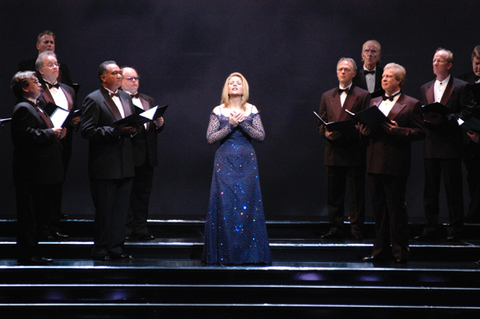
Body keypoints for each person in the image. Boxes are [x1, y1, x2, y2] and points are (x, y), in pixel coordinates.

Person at [202, 72, 271, 265]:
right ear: (226, 88)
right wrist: (230, 125)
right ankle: (224, 254)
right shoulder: (218, 110)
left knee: (247, 204)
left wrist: (244, 124)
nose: (234, 85)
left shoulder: (251, 108)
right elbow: (210, 138)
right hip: (224, 161)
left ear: (243, 88)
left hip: (246, 161)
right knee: (225, 205)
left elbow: (261, 136)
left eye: (237, 83)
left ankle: (249, 254)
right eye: (231, 83)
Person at [360, 63, 426, 263]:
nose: (384, 79)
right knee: (378, 209)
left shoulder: (412, 103)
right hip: (374, 161)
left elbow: (420, 132)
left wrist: (399, 131)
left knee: (396, 209)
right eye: (383, 76)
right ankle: (379, 251)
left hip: (395, 164)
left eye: (389, 76)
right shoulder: (373, 102)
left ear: (400, 81)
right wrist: (363, 132)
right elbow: (369, 129)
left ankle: (400, 252)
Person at [81, 61, 138, 261]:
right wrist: (116, 131)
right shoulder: (94, 99)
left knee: (121, 210)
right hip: (105, 165)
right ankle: (101, 249)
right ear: (103, 77)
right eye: (115, 73)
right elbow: (86, 130)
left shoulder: (125, 97)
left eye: (120, 72)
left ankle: (116, 248)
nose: (120, 76)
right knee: (105, 210)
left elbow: (128, 122)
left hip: (125, 163)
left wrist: (134, 128)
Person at [416, 48, 474, 241]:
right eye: (434, 60)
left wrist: (449, 120)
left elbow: (466, 113)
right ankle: (431, 227)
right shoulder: (425, 87)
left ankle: (456, 228)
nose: (435, 63)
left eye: (440, 61)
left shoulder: (461, 86)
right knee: (430, 191)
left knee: (453, 190)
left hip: (451, 144)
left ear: (449, 65)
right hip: (431, 144)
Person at [11, 71, 67, 264]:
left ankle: (34, 253)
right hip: (31, 173)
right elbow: (24, 136)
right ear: (25, 87)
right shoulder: (23, 108)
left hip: (41, 173)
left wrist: (57, 132)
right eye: (35, 82)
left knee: (38, 215)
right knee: (30, 216)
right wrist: (51, 133)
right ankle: (28, 255)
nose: (40, 85)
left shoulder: (38, 107)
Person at [318, 57, 371, 240]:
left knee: (356, 195)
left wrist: (355, 131)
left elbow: (366, 123)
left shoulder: (363, 95)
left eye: (347, 69)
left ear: (354, 73)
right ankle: (335, 229)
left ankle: (357, 230)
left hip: (354, 151)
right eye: (340, 69)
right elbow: (320, 124)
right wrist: (326, 134)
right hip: (333, 152)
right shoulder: (327, 95)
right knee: (334, 195)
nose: (343, 72)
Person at [36, 50, 79, 240]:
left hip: (64, 144)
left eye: (57, 64)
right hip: (44, 146)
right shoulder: (36, 90)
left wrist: (74, 122)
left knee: (58, 185)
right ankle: (42, 227)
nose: (56, 67)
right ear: (40, 70)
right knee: (43, 187)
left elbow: (69, 114)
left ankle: (53, 225)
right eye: (51, 64)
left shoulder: (68, 90)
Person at [121, 67, 164, 241]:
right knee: (127, 195)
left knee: (143, 194)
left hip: (147, 156)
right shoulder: (119, 99)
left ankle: (140, 228)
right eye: (130, 78)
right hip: (129, 155)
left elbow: (152, 127)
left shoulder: (148, 99)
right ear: (121, 80)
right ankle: (126, 229)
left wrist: (159, 124)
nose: (134, 81)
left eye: (136, 78)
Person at [458, 46, 480, 223]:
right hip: (468, 135)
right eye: (476, 63)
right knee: (472, 175)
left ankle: (474, 215)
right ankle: (474, 214)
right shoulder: (465, 80)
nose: (478, 68)